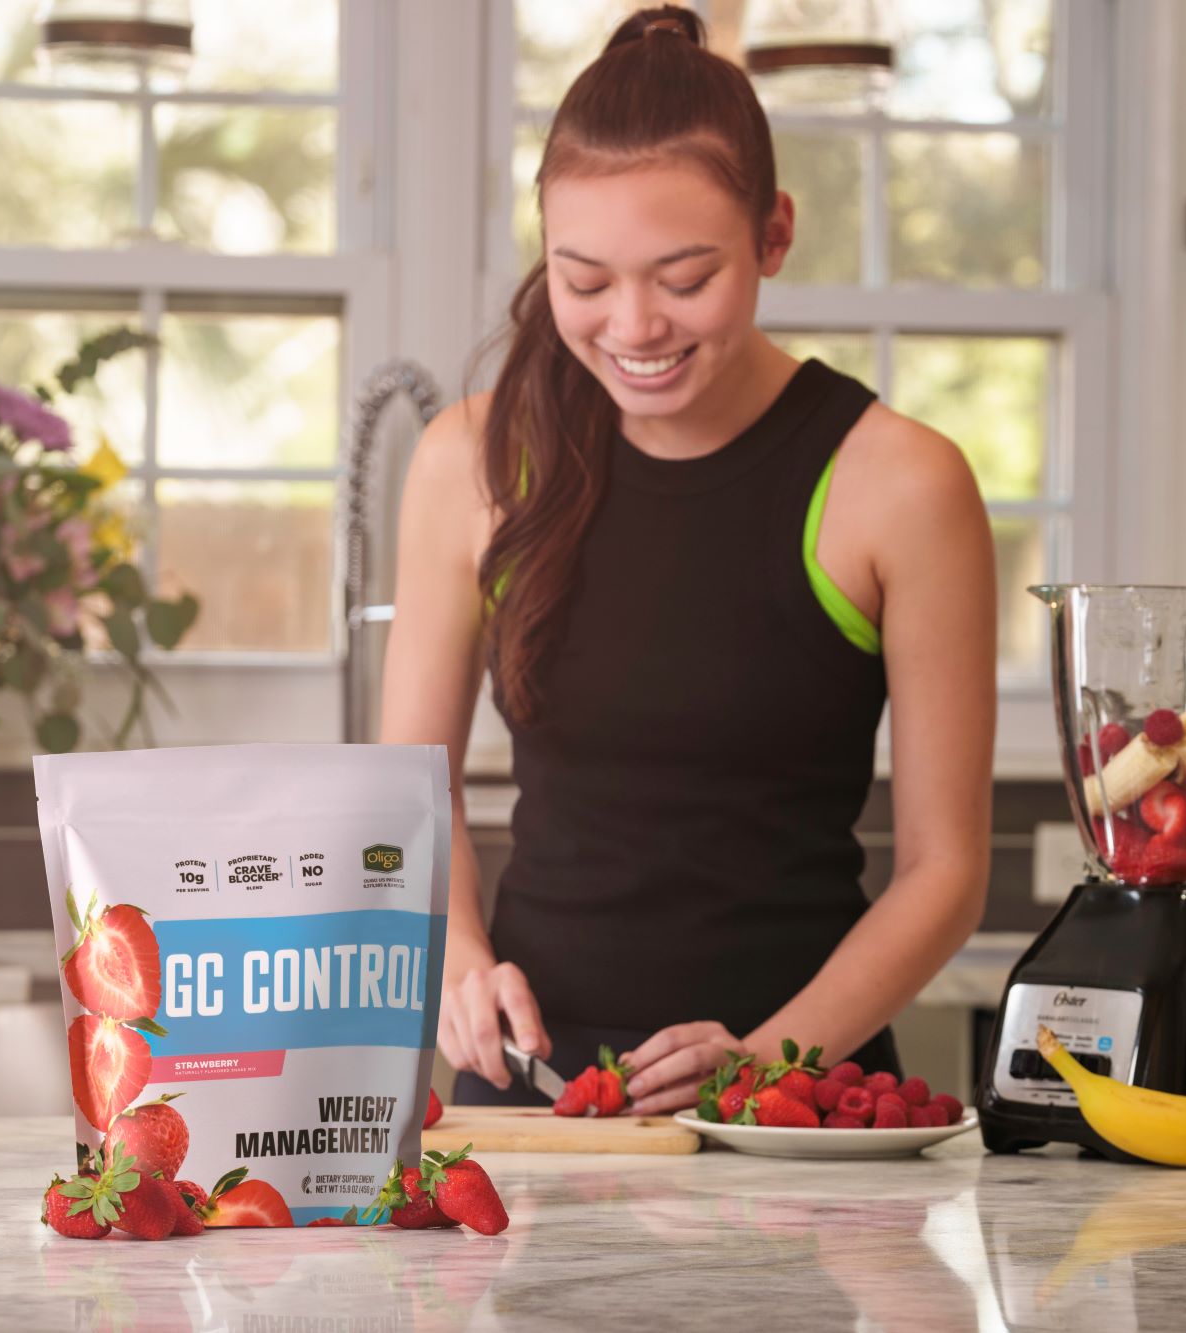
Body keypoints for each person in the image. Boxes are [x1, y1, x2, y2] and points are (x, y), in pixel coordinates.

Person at [380, 5, 994, 1114]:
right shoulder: (471, 461)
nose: (634, 326)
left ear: (773, 236)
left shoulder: (902, 484)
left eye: (683, 277)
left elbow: (945, 873)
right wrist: (458, 959)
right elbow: (403, 802)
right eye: (585, 281)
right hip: (537, 1100)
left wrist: (765, 1064)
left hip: (799, 1108)